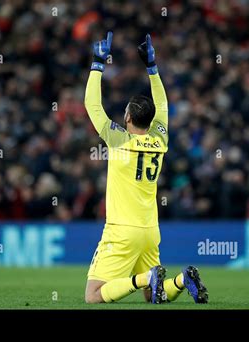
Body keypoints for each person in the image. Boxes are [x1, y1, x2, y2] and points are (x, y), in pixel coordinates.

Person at [84, 32, 208, 304]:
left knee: (92, 296)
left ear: (127, 117)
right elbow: (162, 106)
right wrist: (152, 68)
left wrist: (97, 64)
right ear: (151, 121)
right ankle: (181, 279)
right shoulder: (159, 139)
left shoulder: (118, 139)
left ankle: (146, 276)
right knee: (154, 296)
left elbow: (92, 105)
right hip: (150, 229)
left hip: (121, 230)